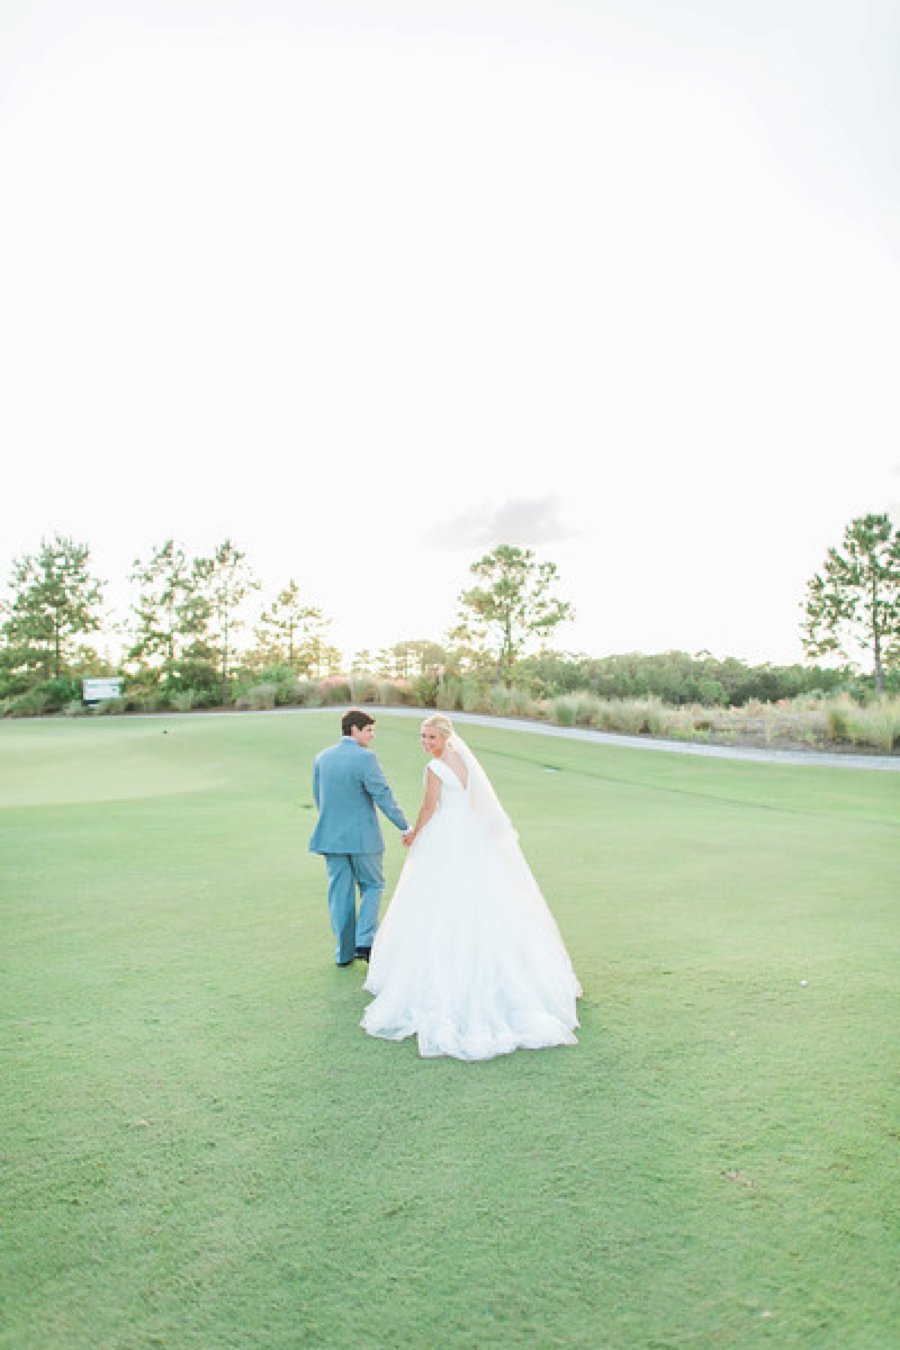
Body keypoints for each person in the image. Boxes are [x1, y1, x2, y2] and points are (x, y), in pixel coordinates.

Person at [361, 714, 582, 1060]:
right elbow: (479, 803)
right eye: (422, 736)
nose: (426, 742)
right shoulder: (464, 760)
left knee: (439, 902)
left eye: (431, 737)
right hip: (471, 834)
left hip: (447, 836)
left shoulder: (435, 769)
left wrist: (413, 835)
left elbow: (428, 808)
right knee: (476, 900)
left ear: (446, 738)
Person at [309, 709, 411, 967]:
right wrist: (404, 826)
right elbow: (382, 795)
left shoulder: (322, 758)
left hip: (331, 838)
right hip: (364, 839)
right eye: (369, 731)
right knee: (373, 886)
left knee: (339, 894)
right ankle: (364, 941)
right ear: (354, 729)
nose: (371, 736)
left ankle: (344, 953)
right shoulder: (366, 759)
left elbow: (319, 799)